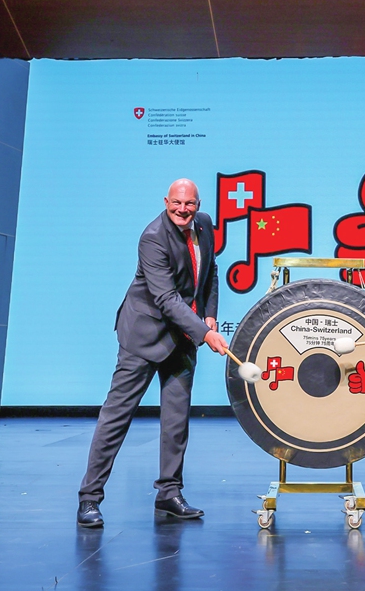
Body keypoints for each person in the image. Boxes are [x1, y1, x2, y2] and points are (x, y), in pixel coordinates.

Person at [77, 179, 228, 528]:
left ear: (198, 203)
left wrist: (209, 316)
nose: (182, 210)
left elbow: (210, 273)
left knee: (176, 421)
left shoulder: (204, 225)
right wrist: (204, 333)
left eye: (189, 204)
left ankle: (169, 493)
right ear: (166, 201)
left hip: (183, 337)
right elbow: (166, 299)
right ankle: (89, 499)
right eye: (176, 203)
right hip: (143, 336)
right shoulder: (152, 237)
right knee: (116, 418)